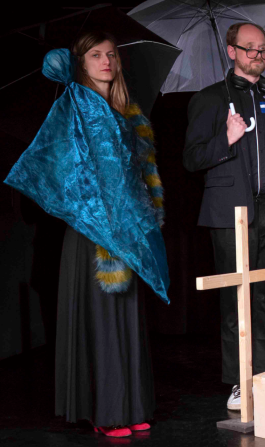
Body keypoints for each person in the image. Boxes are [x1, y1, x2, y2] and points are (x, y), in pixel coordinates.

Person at [4, 32, 167, 437]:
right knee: (102, 321)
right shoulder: (75, 104)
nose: (106, 61)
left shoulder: (127, 113)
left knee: (125, 318)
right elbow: (66, 169)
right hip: (93, 230)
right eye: (95, 55)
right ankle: (106, 411)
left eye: (111, 54)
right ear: (82, 63)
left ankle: (130, 407)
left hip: (127, 229)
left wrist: (140, 219)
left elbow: (136, 177)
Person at [184, 22, 265, 411]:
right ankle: (240, 381)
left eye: (263, 49)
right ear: (232, 51)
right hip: (231, 214)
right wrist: (227, 140)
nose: (258, 55)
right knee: (237, 302)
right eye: (250, 48)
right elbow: (192, 159)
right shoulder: (209, 99)